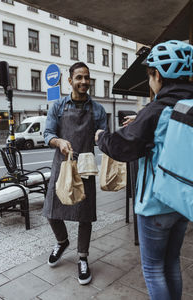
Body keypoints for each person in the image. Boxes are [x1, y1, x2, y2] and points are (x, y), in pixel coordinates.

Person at [95, 40, 193, 299]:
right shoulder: (186, 105)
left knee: (153, 268)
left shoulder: (156, 109)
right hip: (183, 200)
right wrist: (141, 120)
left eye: (150, 76)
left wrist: (100, 136)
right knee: (172, 262)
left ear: (158, 75)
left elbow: (122, 147)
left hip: (155, 203)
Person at [43, 62, 107, 285]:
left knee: (84, 215)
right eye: (79, 77)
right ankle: (62, 241)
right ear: (70, 81)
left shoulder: (97, 109)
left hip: (86, 167)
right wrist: (58, 141)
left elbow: (102, 134)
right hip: (62, 165)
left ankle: (82, 257)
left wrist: (101, 136)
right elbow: (47, 133)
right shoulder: (58, 106)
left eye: (87, 78)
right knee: (51, 210)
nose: (83, 82)